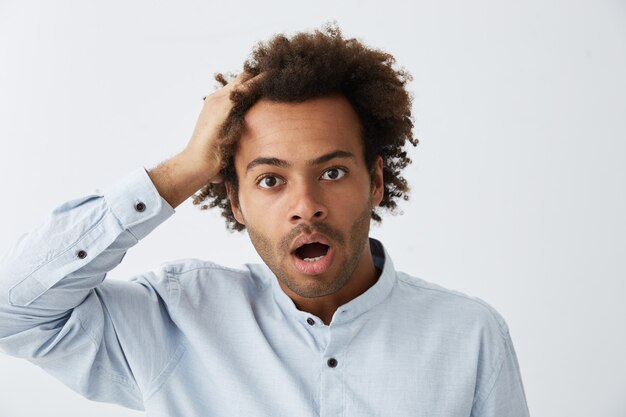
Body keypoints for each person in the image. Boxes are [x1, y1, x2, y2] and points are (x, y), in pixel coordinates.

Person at [0, 25, 530, 416]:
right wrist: (183, 171)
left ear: (375, 181)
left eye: (333, 172)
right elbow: (14, 309)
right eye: (271, 180)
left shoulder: (470, 336)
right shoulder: (175, 320)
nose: (306, 205)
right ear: (235, 200)